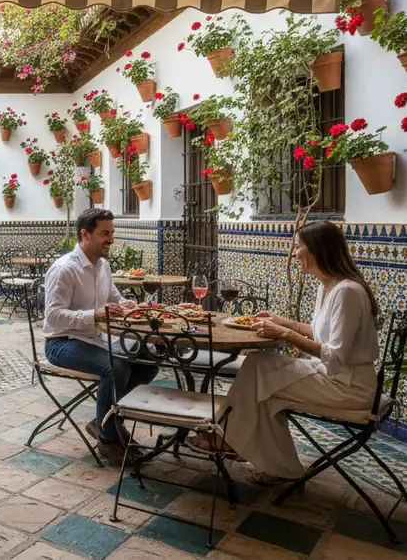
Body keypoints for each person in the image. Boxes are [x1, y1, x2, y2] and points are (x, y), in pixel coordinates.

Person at [192, 221, 380, 485]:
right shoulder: (327, 286)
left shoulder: (347, 291)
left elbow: (335, 356)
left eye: (297, 247)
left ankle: (226, 436)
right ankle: (280, 468)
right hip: (330, 376)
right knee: (262, 383)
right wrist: (283, 322)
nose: (293, 253)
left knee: (259, 370)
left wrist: (285, 335)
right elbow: (319, 332)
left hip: (349, 387)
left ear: (316, 250)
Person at [42, 208, 147, 465]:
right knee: (116, 367)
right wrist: (96, 315)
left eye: (112, 233)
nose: (111, 239)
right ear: (85, 235)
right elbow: (54, 317)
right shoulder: (65, 269)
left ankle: (108, 419)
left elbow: (114, 298)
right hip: (62, 342)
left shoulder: (103, 266)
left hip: (95, 338)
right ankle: (107, 438)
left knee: (148, 355)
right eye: (105, 234)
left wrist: (129, 305)